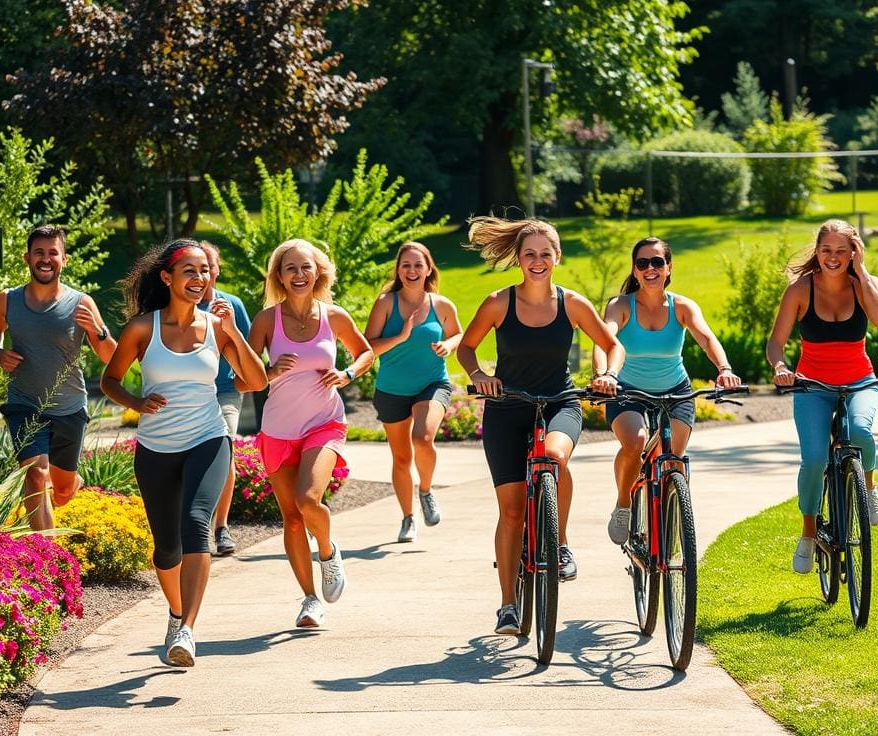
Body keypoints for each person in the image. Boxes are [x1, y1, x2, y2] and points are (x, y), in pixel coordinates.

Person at [100, 239, 266, 666]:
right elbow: (110, 380)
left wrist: (232, 333)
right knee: (165, 550)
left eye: (204, 272)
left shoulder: (215, 326)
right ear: (167, 278)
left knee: (197, 524)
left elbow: (256, 379)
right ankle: (176, 613)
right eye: (189, 271)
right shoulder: (142, 328)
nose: (199, 279)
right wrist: (136, 403)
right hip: (156, 447)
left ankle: (188, 630)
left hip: (208, 438)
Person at [456, 216, 623, 636]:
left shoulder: (572, 303)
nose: (537, 261)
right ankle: (508, 606)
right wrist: (478, 375)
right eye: (529, 253)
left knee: (554, 457)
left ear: (557, 258)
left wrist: (610, 375)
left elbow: (611, 345)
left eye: (544, 254)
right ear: (518, 258)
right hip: (507, 406)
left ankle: (560, 542)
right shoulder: (498, 302)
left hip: (559, 402)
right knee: (511, 512)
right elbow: (466, 348)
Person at [248, 238, 374, 629]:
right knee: (291, 518)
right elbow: (243, 380)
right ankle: (309, 600)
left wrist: (348, 374)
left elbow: (367, 352)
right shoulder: (267, 320)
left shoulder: (333, 316)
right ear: (280, 277)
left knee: (308, 499)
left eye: (306, 267)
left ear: (318, 271)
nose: (299, 274)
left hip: (324, 422)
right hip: (278, 429)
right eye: (291, 268)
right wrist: (271, 372)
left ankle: (328, 551)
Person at [592, 237, 742, 546]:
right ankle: (624, 503)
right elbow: (603, 341)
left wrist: (724, 369)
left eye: (657, 262)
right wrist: (603, 375)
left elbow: (707, 339)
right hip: (628, 391)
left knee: (672, 459)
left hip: (676, 392)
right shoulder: (621, 306)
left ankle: (668, 524)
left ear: (669, 267)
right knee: (634, 443)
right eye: (643, 263)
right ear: (635, 271)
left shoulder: (683, 307)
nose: (650, 269)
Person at [0, 225, 117, 532]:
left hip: (69, 408)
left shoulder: (81, 303)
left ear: (64, 259)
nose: (46, 259)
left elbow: (112, 357)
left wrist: (99, 330)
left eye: (52, 253)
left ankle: (71, 482)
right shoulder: (8, 300)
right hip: (24, 403)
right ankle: (48, 560)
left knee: (63, 491)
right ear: (26, 258)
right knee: (35, 475)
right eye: (39, 253)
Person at [767, 220, 878, 573]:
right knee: (815, 460)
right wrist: (779, 367)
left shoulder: (865, 285)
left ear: (853, 252)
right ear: (817, 252)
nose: (833, 258)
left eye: (841, 251)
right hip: (812, 386)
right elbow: (776, 342)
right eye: (826, 250)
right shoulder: (801, 290)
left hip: (859, 380)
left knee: (862, 432)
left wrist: (863, 273)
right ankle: (807, 533)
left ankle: (869, 484)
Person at [364, 242, 463, 543]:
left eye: (418, 265)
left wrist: (449, 345)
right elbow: (367, 347)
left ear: (428, 268)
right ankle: (408, 517)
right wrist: (401, 336)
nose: (411, 270)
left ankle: (426, 490)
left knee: (422, 437)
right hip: (392, 389)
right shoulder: (385, 303)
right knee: (401, 457)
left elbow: (458, 333)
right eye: (405, 265)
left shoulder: (441, 305)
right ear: (398, 270)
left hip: (432, 383)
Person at [198, 241, 252, 556]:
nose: (203, 273)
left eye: (209, 265)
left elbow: (248, 352)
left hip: (224, 391)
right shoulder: (178, 305)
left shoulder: (231, 305)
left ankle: (221, 527)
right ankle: (194, 525)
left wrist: (242, 381)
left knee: (224, 449)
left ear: (217, 270)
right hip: (190, 391)